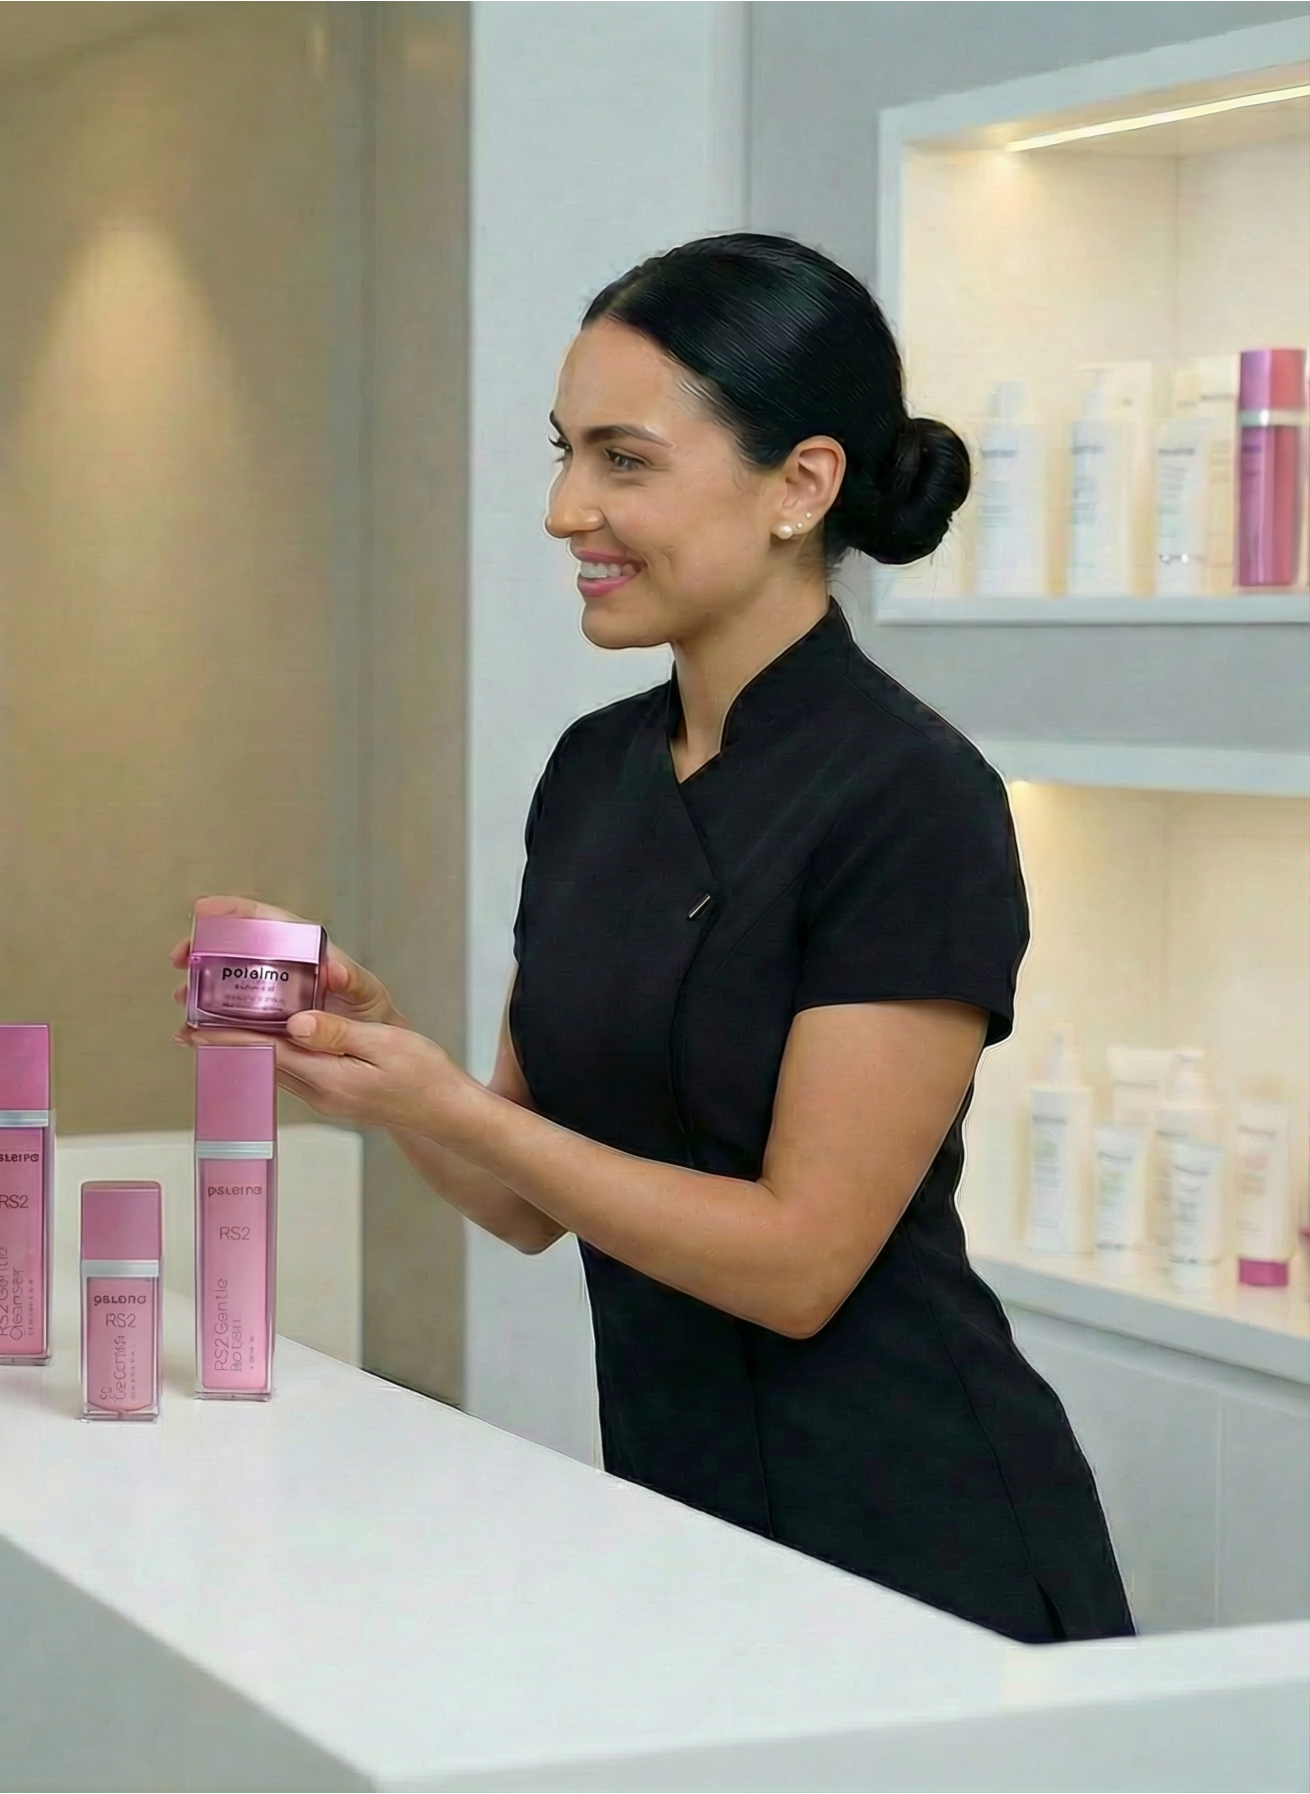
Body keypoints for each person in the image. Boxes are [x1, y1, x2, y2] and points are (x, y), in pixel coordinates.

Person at [180, 233, 1131, 1644]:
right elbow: (521, 1196)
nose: (567, 509)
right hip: (677, 1514)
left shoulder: (909, 796)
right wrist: (386, 1063)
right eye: (562, 454)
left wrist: (456, 1110)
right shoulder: (594, 771)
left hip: (915, 1534)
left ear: (798, 486)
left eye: (623, 460)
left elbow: (799, 1263)